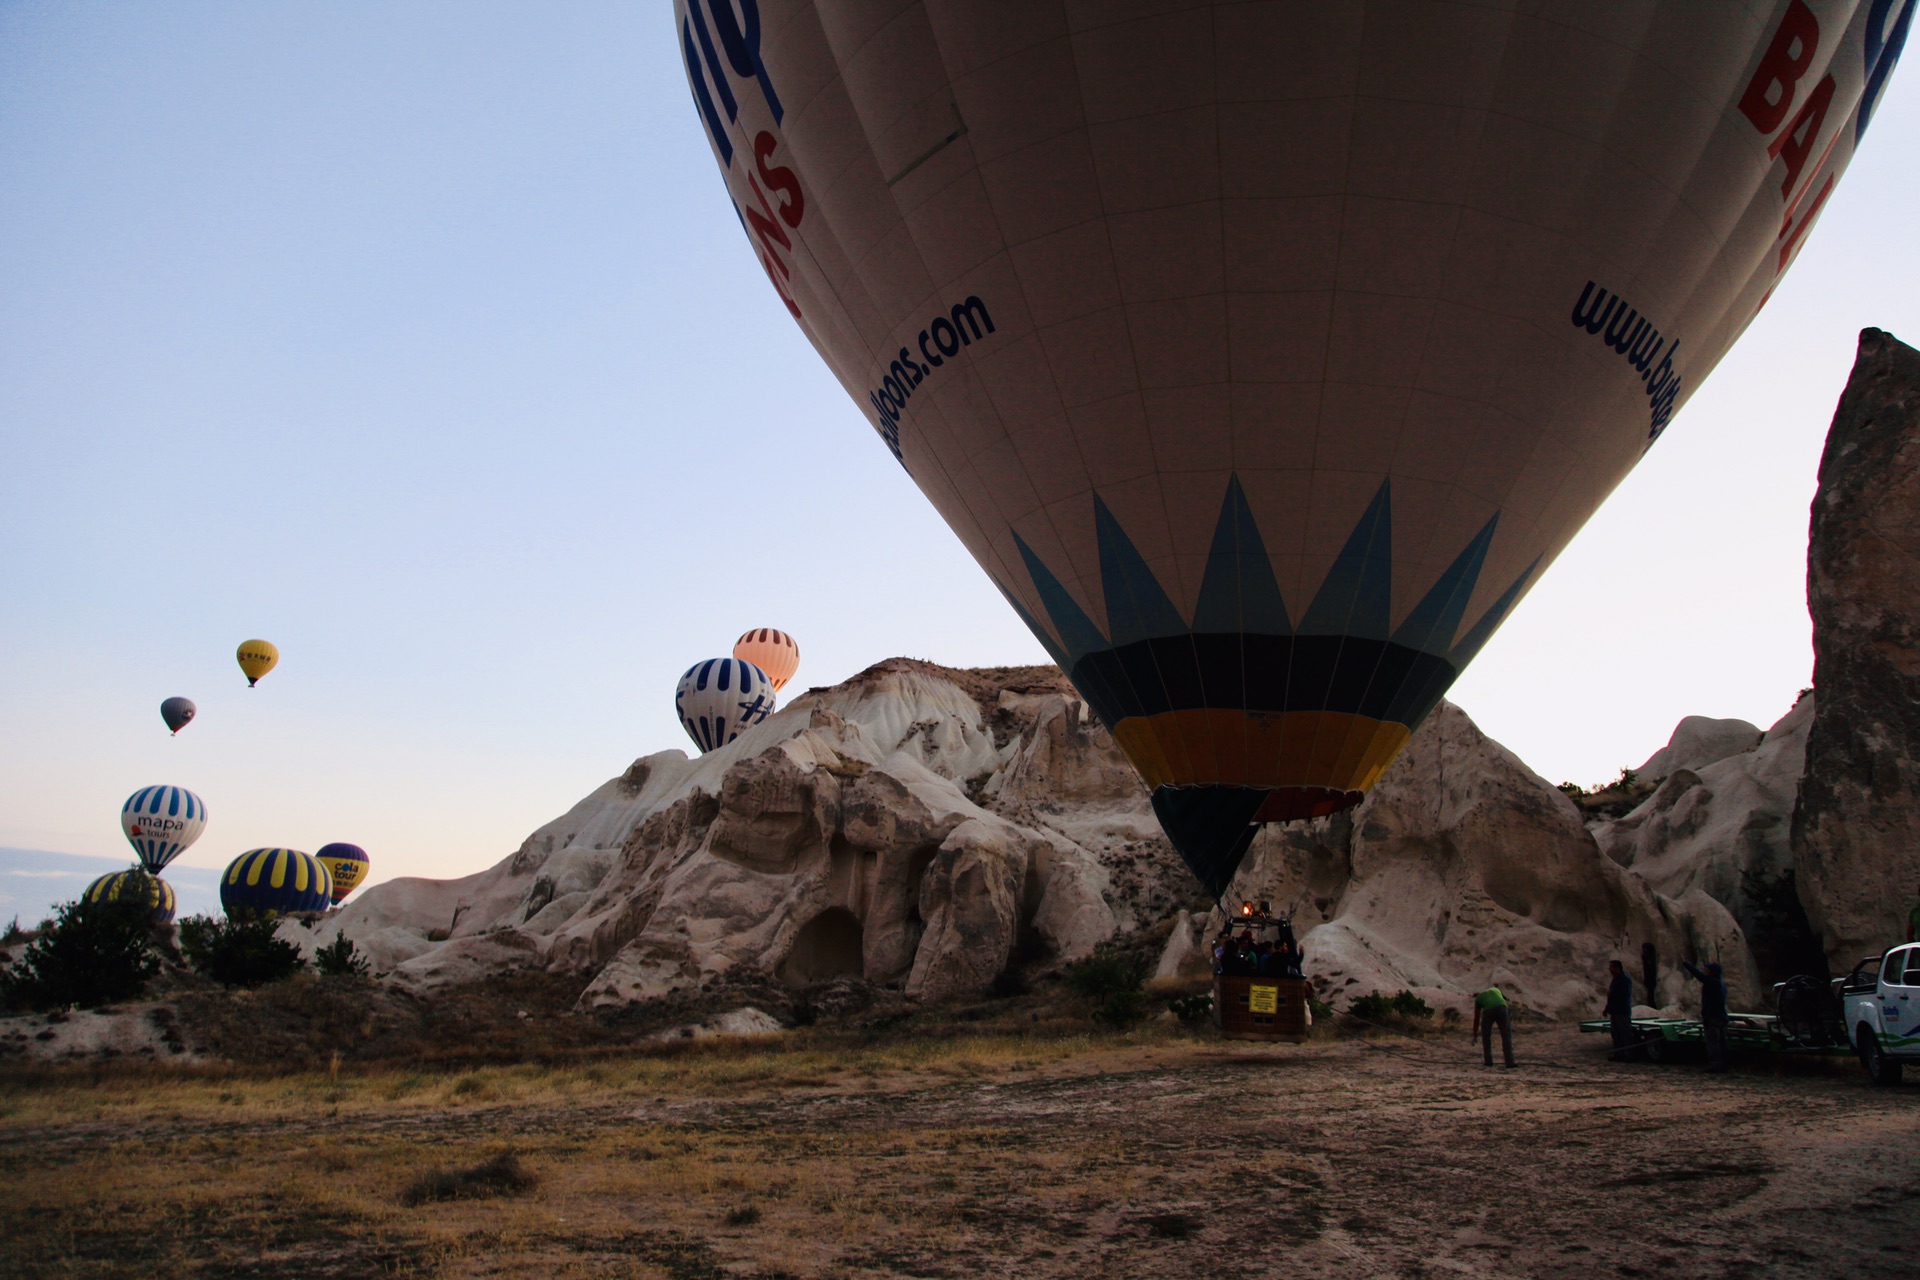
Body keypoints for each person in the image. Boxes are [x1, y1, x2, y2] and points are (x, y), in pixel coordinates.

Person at [1681, 958, 1729, 1073]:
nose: (1706, 971)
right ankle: (1723, 1065)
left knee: (1713, 1043)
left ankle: (1715, 1065)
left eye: (1708, 969)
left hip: (1713, 1017)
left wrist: (1686, 964)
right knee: (1722, 1043)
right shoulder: (1721, 984)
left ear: (1712, 972)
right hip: (1721, 1017)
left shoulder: (1712, 982)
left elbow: (1699, 975)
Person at [1472, 986, 1516, 1067]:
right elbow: (1505, 1001)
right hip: (1502, 1008)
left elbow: (1477, 1018)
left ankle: (1488, 1061)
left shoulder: (1478, 999)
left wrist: (1475, 1033)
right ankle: (1510, 1062)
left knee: (1486, 1035)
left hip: (1488, 1011)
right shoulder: (1496, 990)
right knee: (1506, 1035)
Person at [1604, 960, 1636, 1059]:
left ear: (1617, 968)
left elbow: (1619, 995)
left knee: (1625, 1033)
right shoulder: (1616, 979)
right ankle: (1619, 1054)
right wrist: (1607, 1008)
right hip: (1615, 1011)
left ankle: (1630, 1055)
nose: (1609, 969)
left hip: (1622, 1011)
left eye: (1611, 967)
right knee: (1616, 1034)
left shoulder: (1624, 980)